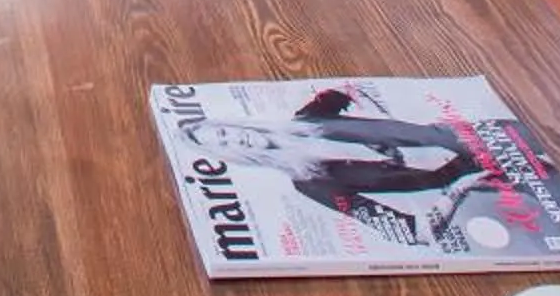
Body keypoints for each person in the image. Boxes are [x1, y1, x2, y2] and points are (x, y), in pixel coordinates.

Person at [177, 87, 499, 224]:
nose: (236, 139)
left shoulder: (312, 114)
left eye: (224, 131)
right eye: (224, 145)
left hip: (477, 133)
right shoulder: (311, 185)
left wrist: (384, 126)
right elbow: (416, 232)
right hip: (489, 183)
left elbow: (358, 89)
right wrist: (459, 189)